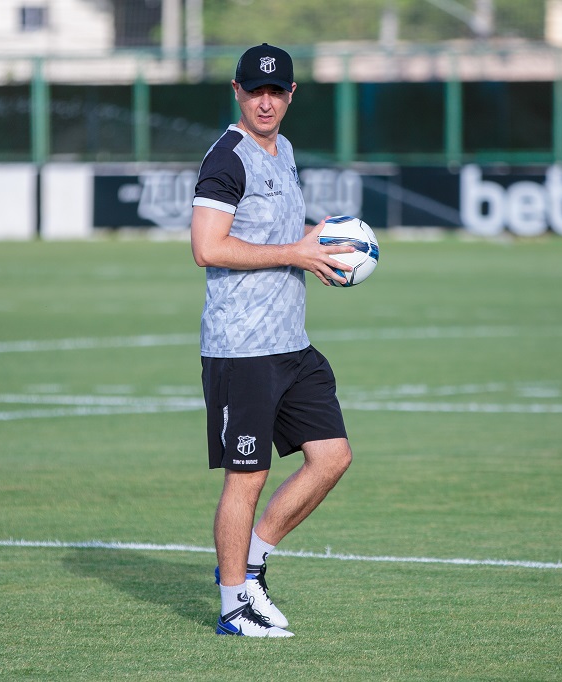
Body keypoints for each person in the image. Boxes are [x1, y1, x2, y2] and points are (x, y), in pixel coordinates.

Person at [190, 43, 356, 638]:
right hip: (242, 348)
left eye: (276, 91)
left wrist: (319, 244)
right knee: (248, 476)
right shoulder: (226, 159)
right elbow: (207, 247)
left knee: (332, 457)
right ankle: (235, 606)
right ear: (237, 90)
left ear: (291, 96)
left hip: (291, 343)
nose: (266, 100)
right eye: (255, 90)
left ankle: (252, 566)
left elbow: (284, 238)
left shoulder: (282, 150)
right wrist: (296, 254)